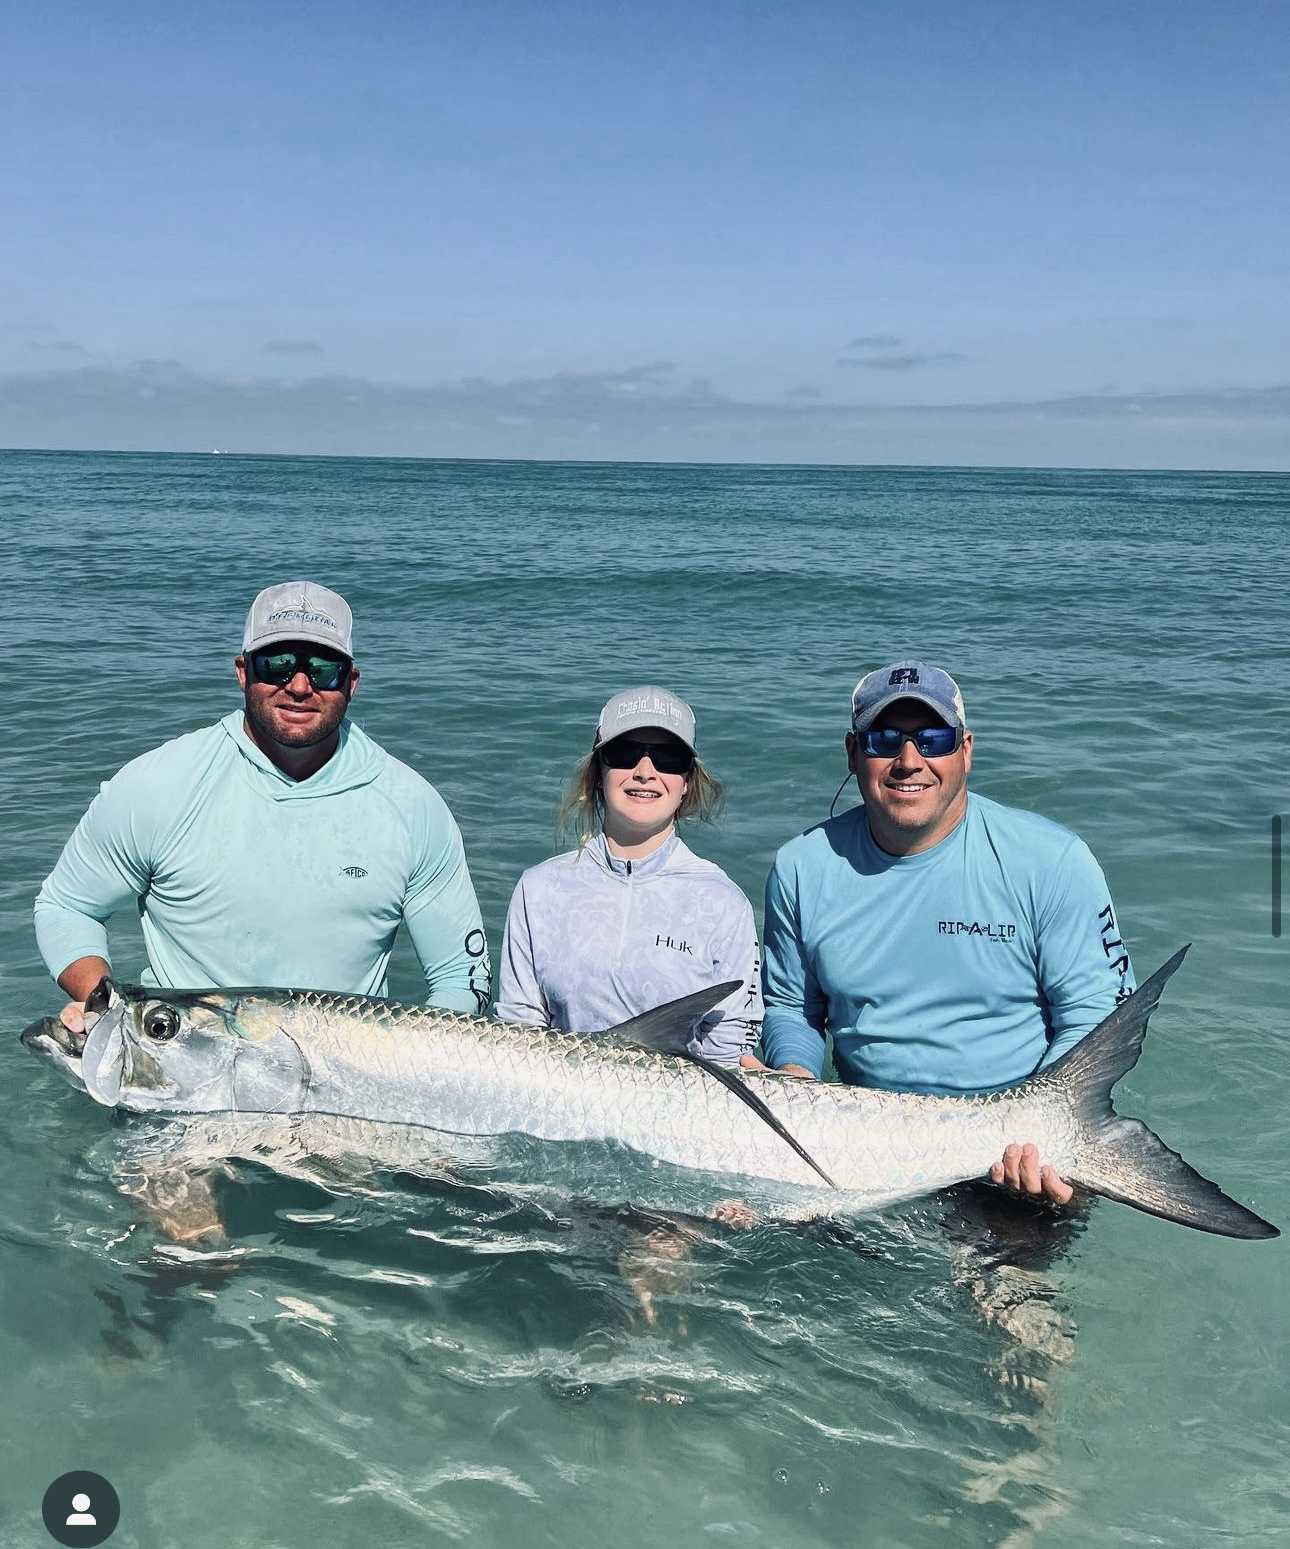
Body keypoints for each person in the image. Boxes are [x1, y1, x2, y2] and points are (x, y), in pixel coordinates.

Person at [755, 659, 1133, 1205]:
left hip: (1019, 1156)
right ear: (853, 752)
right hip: (859, 1145)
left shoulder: (1054, 861)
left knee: (1008, 1287)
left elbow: (1098, 1012)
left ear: (966, 749)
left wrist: (1037, 1129)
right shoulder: (801, 866)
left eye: (933, 739)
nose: (910, 761)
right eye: (885, 739)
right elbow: (792, 1008)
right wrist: (793, 1078)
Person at [36, 581, 491, 1026]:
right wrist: (108, 1009)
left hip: (347, 1093)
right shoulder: (158, 785)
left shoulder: (412, 807)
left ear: (351, 683)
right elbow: (67, 906)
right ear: (242, 671)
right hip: (181, 1081)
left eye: (322, 668)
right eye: (276, 664)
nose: (298, 685)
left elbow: (461, 974)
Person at [495, 685, 762, 1065]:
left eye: (668, 758)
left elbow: (728, 1048)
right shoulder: (538, 889)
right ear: (598, 772)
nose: (645, 772)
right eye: (626, 753)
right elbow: (520, 1029)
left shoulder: (723, 903)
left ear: (686, 782)